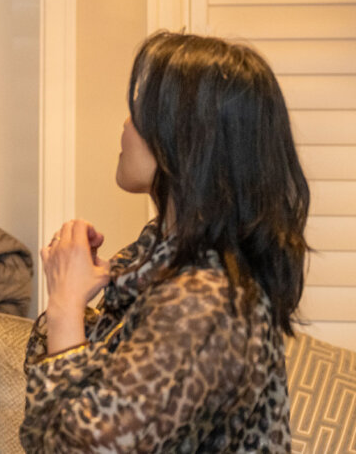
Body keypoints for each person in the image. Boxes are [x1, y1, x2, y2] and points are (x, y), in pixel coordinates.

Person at [21, 31, 309, 453]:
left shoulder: (208, 302)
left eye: (140, 111)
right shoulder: (152, 263)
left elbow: (75, 447)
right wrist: (74, 299)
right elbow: (46, 416)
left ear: (187, 140)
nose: (124, 124)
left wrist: (66, 302)